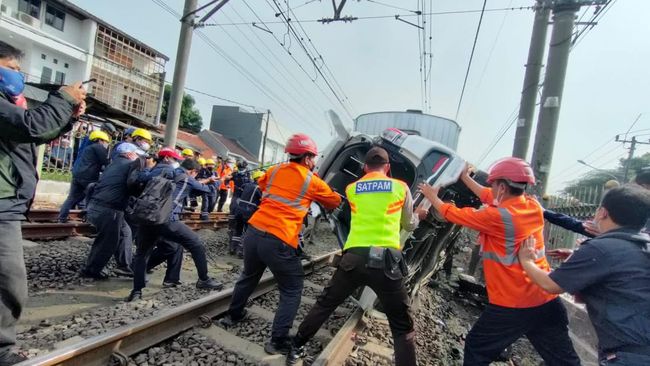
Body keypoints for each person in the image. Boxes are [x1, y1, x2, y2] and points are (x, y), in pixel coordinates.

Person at [418, 158, 580, 366]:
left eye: (493, 184)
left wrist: (433, 197)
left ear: (502, 187)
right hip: (546, 300)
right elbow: (488, 196)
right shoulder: (533, 206)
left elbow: (455, 214)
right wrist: (466, 178)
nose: (490, 188)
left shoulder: (497, 217)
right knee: (564, 360)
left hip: (513, 304)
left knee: (477, 348)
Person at [287, 147, 423, 366]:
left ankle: (296, 347)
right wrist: (418, 216)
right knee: (401, 324)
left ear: (365, 167)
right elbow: (409, 224)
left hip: (354, 259)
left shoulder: (352, 188)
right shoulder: (401, 187)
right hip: (387, 264)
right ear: (387, 168)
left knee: (325, 304)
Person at [0, 40, 86, 365]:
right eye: (12, 68)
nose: (18, 76)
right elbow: (31, 126)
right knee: (9, 281)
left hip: (7, 205)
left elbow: (37, 131)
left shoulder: (9, 103)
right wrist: (63, 98)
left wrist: (68, 117)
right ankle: (2, 350)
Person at [218, 134, 341, 355]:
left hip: (254, 233)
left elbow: (263, 184)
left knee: (248, 277)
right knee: (292, 288)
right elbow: (334, 201)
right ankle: (277, 340)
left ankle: (232, 316)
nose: (314, 162)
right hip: (280, 238)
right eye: (313, 157)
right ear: (306, 158)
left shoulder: (274, 171)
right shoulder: (311, 180)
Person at [518, 185, 650, 365]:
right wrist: (577, 257)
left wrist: (526, 261)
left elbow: (550, 285)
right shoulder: (641, 246)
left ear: (602, 212)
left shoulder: (602, 248)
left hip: (629, 356)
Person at [127, 149, 223, 301]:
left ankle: (136, 291)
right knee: (196, 243)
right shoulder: (187, 178)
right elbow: (205, 190)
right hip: (167, 220)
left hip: (147, 218)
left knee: (141, 254)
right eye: (196, 174)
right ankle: (204, 280)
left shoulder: (164, 171)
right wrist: (215, 182)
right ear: (192, 171)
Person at [80, 143, 146, 279]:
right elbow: (132, 184)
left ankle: (124, 266)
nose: (137, 156)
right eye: (136, 153)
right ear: (129, 154)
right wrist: (141, 190)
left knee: (125, 232)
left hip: (98, 205)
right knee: (108, 242)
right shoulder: (132, 164)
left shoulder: (113, 164)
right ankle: (91, 270)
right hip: (110, 208)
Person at [58, 129, 110, 222]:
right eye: (105, 141)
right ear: (100, 140)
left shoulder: (88, 148)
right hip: (88, 177)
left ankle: (61, 218)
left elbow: (92, 162)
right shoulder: (99, 147)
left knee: (72, 197)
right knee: (92, 197)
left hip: (77, 174)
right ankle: (88, 220)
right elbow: (106, 162)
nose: (106, 144)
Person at [228, 169, 264, 257]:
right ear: (259, 178)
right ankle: (241, 251)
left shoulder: (246, 185)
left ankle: (233, 248)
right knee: (247, 232)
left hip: (239, 210)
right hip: (248, 212)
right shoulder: (258, 188)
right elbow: (263, 200)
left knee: (238, 230)